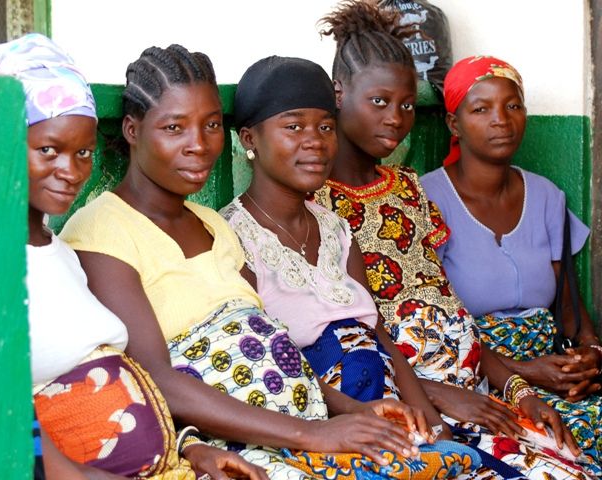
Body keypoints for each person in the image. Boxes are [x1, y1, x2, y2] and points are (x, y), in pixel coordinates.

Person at [59, 43, 482, 480]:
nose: (199, 146)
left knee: (450, 462)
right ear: (132, 130)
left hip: (300, 419)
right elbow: (157, 380)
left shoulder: (210, 225)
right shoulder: (102, 230)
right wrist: (310, 434)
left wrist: (354, 412)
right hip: (247, 442)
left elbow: (275, 345)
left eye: (209, 126)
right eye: (174, 128)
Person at [310, 2, 594, 478]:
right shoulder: (316, 203)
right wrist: (434, 395)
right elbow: (344, 335)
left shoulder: (405, 187)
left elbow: (449, 308)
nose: (397, 119)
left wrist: (518, 390)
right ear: (339, 93)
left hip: (477, 378)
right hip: (406, 395)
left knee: (573, 462)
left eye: (405, 105)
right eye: (379, 102)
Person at [0, 33, 265, 480]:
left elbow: (122, 378)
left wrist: (189, 447)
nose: (70, 170)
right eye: (48, 150)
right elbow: (6, 421)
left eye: (82, 152)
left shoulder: (58, 253)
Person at [220, 53, 490, 478]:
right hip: (323, 423)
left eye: (325, 127)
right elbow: (268, 364)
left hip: (387, 409)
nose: (315, 141)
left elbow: (377, 333)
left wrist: (432, 424)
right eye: (293, 126)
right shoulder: (231, 238)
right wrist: (356, 418)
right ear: (249, 138)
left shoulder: (336, 229)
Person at [420, 54, 602, 473]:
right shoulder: (425, 201)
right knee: (566, 438)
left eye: (512, 105)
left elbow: (572, 315)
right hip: (477, 379)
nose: (501, 119)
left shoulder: (547, 198)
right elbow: (431, 328)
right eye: (480, 109)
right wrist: (527, 374)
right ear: (454, 124)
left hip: (552, 371)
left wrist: (589, 356)